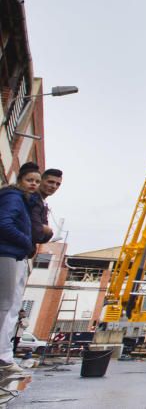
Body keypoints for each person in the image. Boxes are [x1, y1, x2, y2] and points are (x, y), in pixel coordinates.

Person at [0, 163, 41, 380]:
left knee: (7, 306)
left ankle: (4, 356)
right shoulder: (14, 198)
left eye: (37, 181)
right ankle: (3, 357)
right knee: (5, 306)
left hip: (13, 254)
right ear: (20, 180)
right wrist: (26, 242)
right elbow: (4, 223)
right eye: (30, 180)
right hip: (8, 253)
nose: (34, 184)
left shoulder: (24, 201)